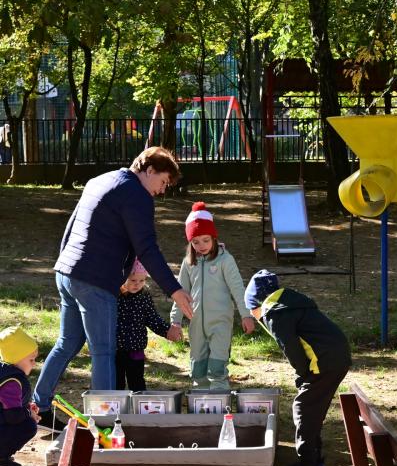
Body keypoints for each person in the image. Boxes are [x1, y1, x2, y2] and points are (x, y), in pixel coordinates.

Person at [34, 147, 194, 432]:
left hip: (68, 273)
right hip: (94, 282)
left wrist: (64, 264)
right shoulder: (137, 195)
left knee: (66, 343)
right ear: (149, 170)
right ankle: (105, 427)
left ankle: (39, 407)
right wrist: (175, 290)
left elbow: (72, 227)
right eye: (163, 182)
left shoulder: (101, 180)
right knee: (104, 352)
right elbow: (147, 248)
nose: (162, 190)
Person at [244, 270, 351, 466]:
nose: (253, 315)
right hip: (337, 356)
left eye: (251, 310)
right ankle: (315, 460)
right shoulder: (291, 303)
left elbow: (291, 349)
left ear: (257, 303)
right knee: (313, 408)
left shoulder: (274, 312)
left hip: (324, 362)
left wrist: (303, 374)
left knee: (303, 407)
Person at [170, 202, 255, 390]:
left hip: (220, 323)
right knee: (198, 368)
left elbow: (238, 289)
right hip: (196, 323)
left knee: (217, 367)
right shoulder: (188, 263)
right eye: (196, 242)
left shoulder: (225, 260)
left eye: (206, 240)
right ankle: (201, 407)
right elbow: (180, 292)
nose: (201, 246)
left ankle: (219, 406)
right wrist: (175, 321)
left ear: (214, 238)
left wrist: (246, 315)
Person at [116, 260, 183, 391]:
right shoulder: (114, 296)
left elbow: (152, 318)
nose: (137, 284)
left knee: (137, 383)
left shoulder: (144, 297)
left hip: (136, 349)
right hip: (115, 350)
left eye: (141, 281)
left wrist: (167, 331)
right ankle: (118, 409)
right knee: (116, 383)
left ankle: (140, 408)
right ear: (123, 278)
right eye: (133, 280)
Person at [0, 327, 40, 466]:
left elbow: (9, 405)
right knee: (28, 426)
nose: (34, 364)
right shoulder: (12, 382)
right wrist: (29, 414)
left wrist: (27, 406)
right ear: (17, 358)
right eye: (31, 359)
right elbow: (14, 417)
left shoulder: (6, 373)